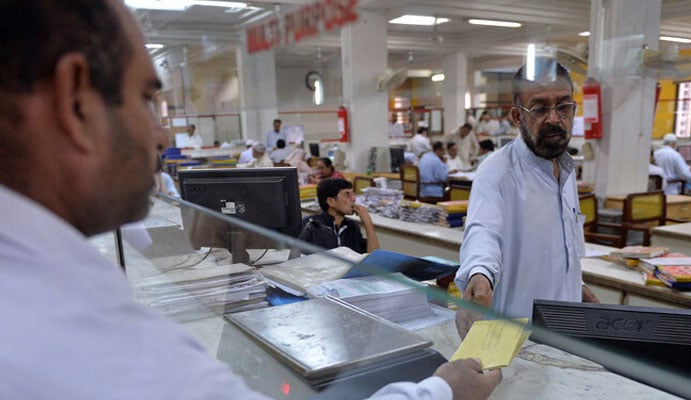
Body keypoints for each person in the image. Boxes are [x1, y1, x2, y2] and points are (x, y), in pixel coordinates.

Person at [0, 2, 501, 399]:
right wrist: (440, 391)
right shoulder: (57, 320)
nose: (160, 133)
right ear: (76, 101)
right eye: (147, 99)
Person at [454, 57, 599, 337]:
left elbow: (555, 249)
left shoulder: (565, 170)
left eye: (564, 106)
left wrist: (574, 285)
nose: (555, 119)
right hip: (517, 340)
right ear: (518, 116)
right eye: (540, 109)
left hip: (565, 333)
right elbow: (482, 234)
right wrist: (480, 275)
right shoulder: (497, 172)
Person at [298, 179, 380, 254]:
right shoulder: (312, 225)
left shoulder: (352, 226)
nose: (353, 199)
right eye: (347, 194)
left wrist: (367, 222)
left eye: (353, 194)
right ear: (331, 201)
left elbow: (374, 258)